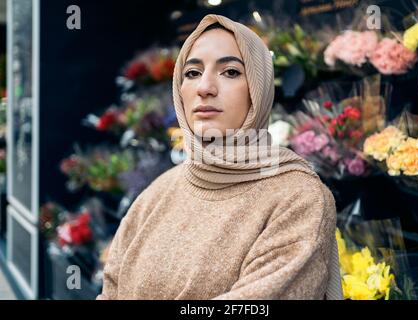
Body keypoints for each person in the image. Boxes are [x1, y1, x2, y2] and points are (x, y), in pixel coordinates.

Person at [96, 14, 342, 300]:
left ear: (258, 89)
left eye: (231, 72)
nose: (205, 87)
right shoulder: (157, 193)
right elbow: (110, 290)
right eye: (192, 73)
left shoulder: (298, 198)